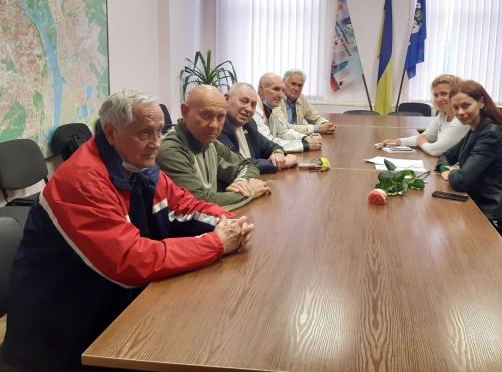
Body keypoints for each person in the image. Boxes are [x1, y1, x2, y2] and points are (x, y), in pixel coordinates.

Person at [1, 90, 254, 372]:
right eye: (144, 134)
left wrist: (229, 223)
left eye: (159, 131)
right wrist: (216, 243)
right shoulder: (82, 181)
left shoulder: (138, 164)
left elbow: (184, 206)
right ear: (112, 133)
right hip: (59, 340)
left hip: (110, 308)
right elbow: (130, 260)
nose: (156, 143)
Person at [157, 85, 270, 211]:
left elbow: (247, 165)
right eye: (205, 114)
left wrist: (243, 183)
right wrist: (249, 192)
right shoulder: (171, 150)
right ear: (185, 111)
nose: (214, 125)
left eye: (221, 117)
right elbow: (195, 202)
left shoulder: (210, 143)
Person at [437, 80, 502, 234]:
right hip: (476, 202)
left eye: (466, 106)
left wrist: (451, 173)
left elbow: (461, 181)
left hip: (492, 214)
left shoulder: (489, 134)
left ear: (481, 103)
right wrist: (446, 168)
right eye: (456, 107)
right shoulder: (475, 129)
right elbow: (445, 155)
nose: (460, 112)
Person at [377, 74, 468, 155]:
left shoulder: (462, 119)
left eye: (443, 94)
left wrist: (422, 143)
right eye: (436, 95)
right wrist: (397, 141)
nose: (438, 99)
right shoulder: (443, 115)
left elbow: (435, 150)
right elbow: (425, 137)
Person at [219, 82, 298, 174]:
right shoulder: (218, 126)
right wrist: (281, 163)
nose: (249, 109)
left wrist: (278, 153)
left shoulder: (249, 124)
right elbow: (237, 164)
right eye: (244, 101)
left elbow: (270, 145)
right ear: (226, 99)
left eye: (253, 105)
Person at [254, 72, 322, 153]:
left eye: (283, 90)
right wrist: (305, 145)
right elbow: (268, 142)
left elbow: (283, 132)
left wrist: (305, 138)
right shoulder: (253, 109)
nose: (281, 95)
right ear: (261, 90)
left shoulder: (271, 107)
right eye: (276, 89)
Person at [279, 69, 336, 134]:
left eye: (300, 85)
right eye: (293, 84)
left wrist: (326, 124)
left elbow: (315, 118)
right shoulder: (276, 98)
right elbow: (283, 128)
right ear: (283, 82)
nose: (296, 88)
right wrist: (317, 128)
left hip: (297, 137)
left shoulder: (302, 98)